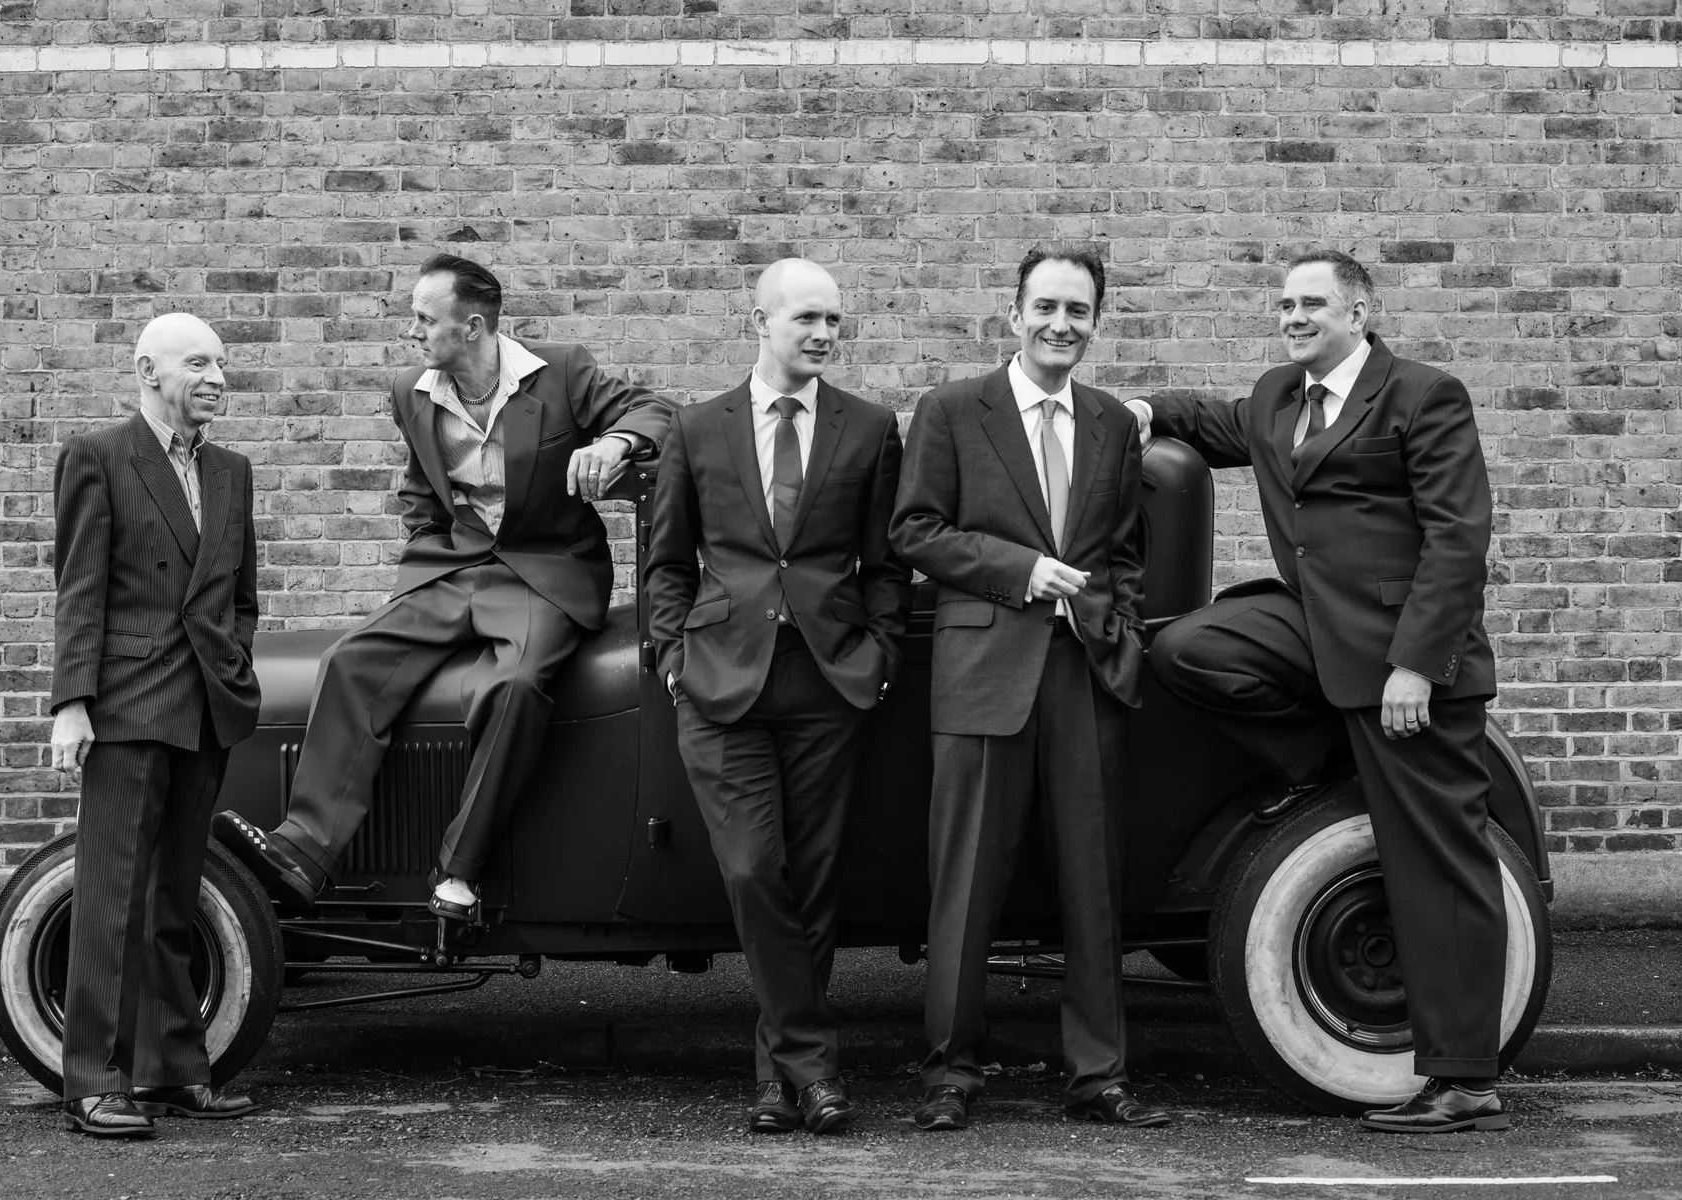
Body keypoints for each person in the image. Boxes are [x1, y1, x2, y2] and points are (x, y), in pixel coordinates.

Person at [1130, 250, 1509, 1134]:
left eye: (1313, 303)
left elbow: (1459, 539)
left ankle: (1464, 1077)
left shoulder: (1423, 394)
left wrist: (1418, 663)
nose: (1294, 316)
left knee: (1434, 864)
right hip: (1317, 636)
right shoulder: (1276, 398)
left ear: (1361, 311)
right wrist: (1138, 409)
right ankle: (1323, 758)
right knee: (1188, 648)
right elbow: (1209, 420)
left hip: (1409, 663)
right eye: (1285, 303)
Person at [216, 253, 672, 919]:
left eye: (425, 319)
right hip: (454, 568)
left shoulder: (562, 372)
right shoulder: (412, 392)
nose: (412, 331)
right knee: (351, 662)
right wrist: (427, 546)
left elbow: (655, 410)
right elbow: (419, 487)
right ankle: (304, 849)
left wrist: (617, 444)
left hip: (544, 573)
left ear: (474, 327)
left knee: (513, 688)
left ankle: (459, 872)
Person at [889, 245, 1168, 1132]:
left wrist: (1116, 628)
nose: (1060, 325)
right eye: (1045, 307)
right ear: (1013, 315)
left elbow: (1124, 554)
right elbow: (916, 531)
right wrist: (1021, 570)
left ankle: (1099, 1076)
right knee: (965, 883)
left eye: (1078, 312)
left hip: (1084, 671)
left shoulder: (1112, 425)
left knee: (1093, 883)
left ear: (1095, 322)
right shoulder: (950, 410)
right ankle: (948, 1076)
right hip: (981, 671)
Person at [644, 259, 911, 1134]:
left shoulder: (870, 429)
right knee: (756, 869)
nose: (824, 334)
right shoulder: (698, 426)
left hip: (829, 678)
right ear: (758, 320)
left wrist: (879, 654)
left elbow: (886, 565)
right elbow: (667, 560)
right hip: (721, 680)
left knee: (815, 880)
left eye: (835, 320)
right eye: (806, 318)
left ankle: (777, 1081)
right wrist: (671, 653)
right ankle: (813, 1065)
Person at [48, 313, 261, 1136]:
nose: (216, 377)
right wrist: (73, 703)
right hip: (127, 706)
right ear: (148, 369)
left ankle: (175, 1069)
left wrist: (233, 663)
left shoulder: (234, 471)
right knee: (111, 900)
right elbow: (80, 588)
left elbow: (241, 595)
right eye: (197, 363)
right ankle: (93, 1080)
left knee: (174, 896)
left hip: (207, 710)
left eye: (222, 364)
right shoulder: (100, 458)